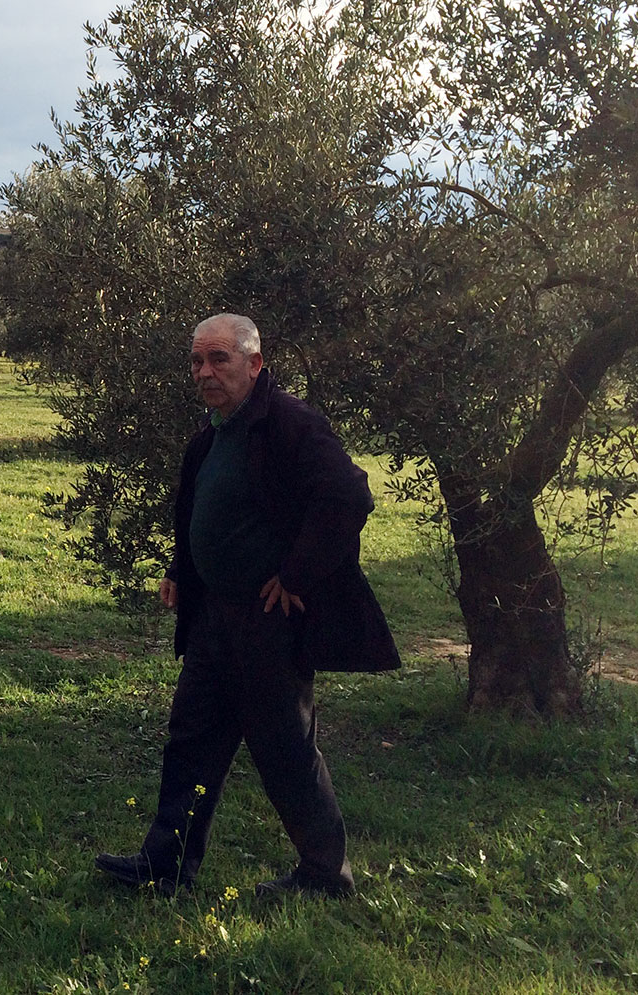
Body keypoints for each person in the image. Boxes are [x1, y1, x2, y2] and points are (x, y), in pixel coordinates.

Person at [94, 313, 399, 899]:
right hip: (215, 619)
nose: (205, 372)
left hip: (269, 623)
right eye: (196, 361)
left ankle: (324, 877)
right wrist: (184, 570)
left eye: (219, 359)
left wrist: (296, 573)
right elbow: (204, 513)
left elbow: (347, 496)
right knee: (192, 741)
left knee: (285, 750)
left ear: (255, 364)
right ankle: (166, 866)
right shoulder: (211, 435)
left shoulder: (291, 423)